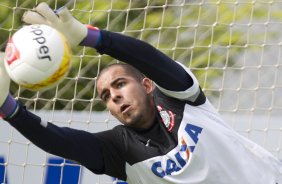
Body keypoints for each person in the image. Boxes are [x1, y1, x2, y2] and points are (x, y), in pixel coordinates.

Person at [0, 2, 281, 184]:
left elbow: (148, 57)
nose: (114, 96)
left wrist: (89, 37)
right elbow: (59, 141)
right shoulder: (119, 149)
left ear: (147, 85)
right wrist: (7, 106)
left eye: (120, 84)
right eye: (106, 96)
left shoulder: (181, 98)